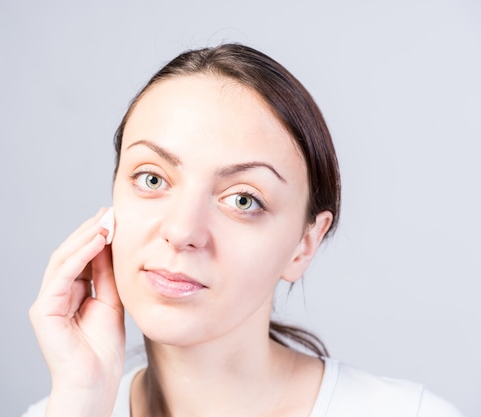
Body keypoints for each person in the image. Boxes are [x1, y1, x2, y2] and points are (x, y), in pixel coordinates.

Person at [24, 44, 464, 417]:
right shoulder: (66, 406)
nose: (182, 231)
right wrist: (81, 400)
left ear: (304, 244)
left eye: (242, 200)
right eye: (152, 179)